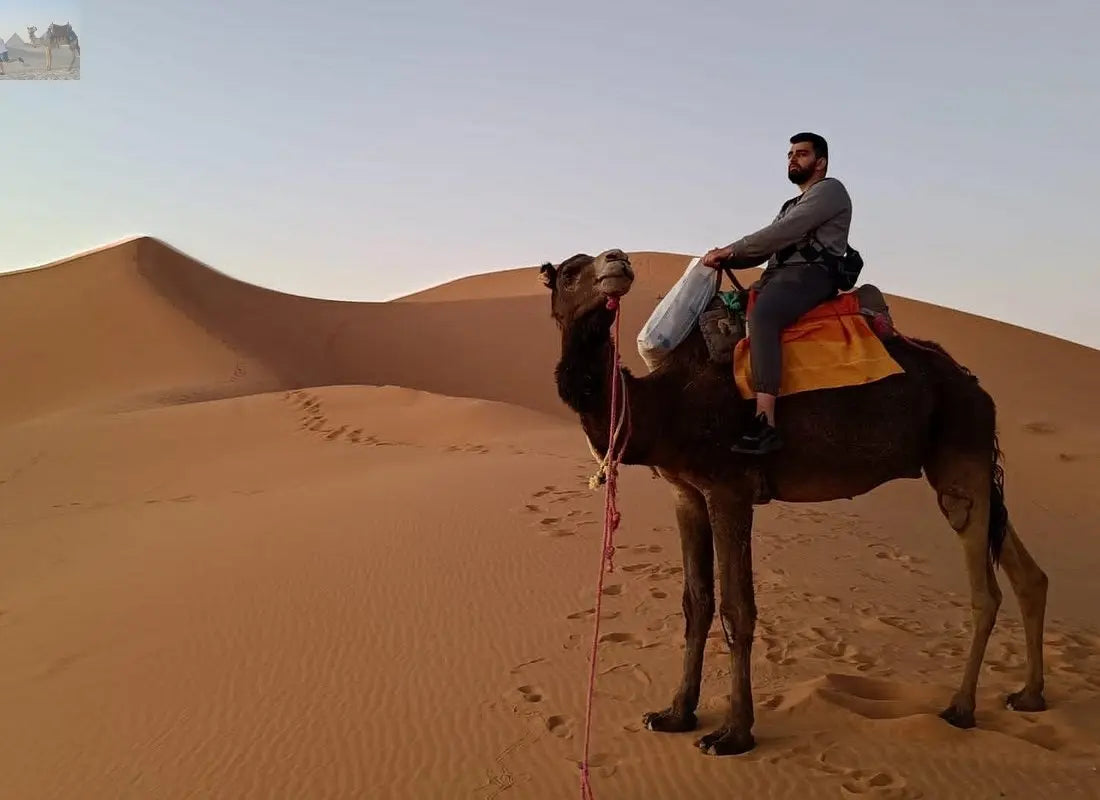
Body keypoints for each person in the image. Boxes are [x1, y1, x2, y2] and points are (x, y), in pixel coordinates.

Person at [702, 132, 852, 455]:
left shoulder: (830, 191)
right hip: (777, 277)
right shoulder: (790, 205)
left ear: (820, 163)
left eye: (801, 154)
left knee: (764, 315)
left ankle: (765, 422)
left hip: (810, 277)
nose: (792, 159)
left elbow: (781, 234)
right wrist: (729, 257)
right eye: (789, 154)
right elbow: (764, 249)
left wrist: (732, 248)